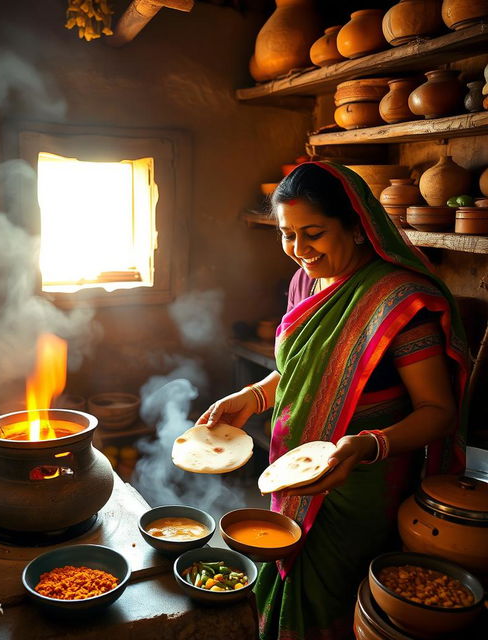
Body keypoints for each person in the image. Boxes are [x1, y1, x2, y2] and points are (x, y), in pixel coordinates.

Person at [196, 162, 469, 640]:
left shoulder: (398, 302)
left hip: (360, 481)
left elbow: (438, 412)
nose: (300, 251)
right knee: (283, 579)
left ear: (358, 228)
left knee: (328, 596)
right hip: (295, 471)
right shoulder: (307, 282)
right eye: (287, 235)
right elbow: (303, 373)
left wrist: (367, 446)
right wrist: (254, 395)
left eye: (315, 234)